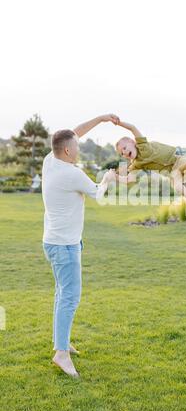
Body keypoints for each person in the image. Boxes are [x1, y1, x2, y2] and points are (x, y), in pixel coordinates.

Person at [42, 114, 118, 378]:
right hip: (65, 246)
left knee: (61, 294)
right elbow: (98, 193)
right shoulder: (71, 173)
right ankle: (61, 354)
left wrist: (102, 119)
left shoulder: (50, 160)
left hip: (53, 242)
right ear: (67, 150)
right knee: (70, 297)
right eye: (76, 146)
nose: (79, 147)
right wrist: (108, 177)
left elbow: (74, 132)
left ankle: (61, 342)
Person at [110, 121, 186, 202]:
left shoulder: (143, 146)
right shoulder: (136, 165)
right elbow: (129, 179)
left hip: (177, 159)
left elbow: (132, 127)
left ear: (132, 142)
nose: (124, 152)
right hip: (173, 172)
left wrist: (119, 123)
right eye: (122, 153)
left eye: (125, 148)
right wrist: (115, 176)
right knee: (178, 186)